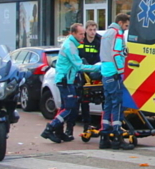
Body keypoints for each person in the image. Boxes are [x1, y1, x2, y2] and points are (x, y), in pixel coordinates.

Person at [41, 23, 99, 144]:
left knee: (64, 107)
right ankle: (50, 128)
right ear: (73, 34)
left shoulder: (72, 44)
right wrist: (99, 67)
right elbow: (79, 66)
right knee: (70, 107)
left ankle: (59, 132)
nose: (83, 36)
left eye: (83, 33)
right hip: (66, 81)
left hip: (66, 79)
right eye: (80, 34)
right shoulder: (70, 47)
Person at [99, 12, 130, 149]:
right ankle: (117, 137)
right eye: (126, 26)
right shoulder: (117, 33)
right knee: (117, 104)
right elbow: (117, 53)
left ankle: (104, 136)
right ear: (121, 22)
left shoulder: (106, 33)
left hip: (105, 72)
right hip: (114, 72)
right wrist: (121, 71)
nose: (126, 29)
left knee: (108, 104)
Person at [73, 20, 102, 139]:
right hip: (83, 73)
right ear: (86, 30)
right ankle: (86, 125)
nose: (93, 32)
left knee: (103, 98)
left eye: (94, 30)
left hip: (97, 73)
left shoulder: (99, 41)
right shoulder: (81, 42)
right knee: (84, 101)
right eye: (90, 30)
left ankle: (103, 125)